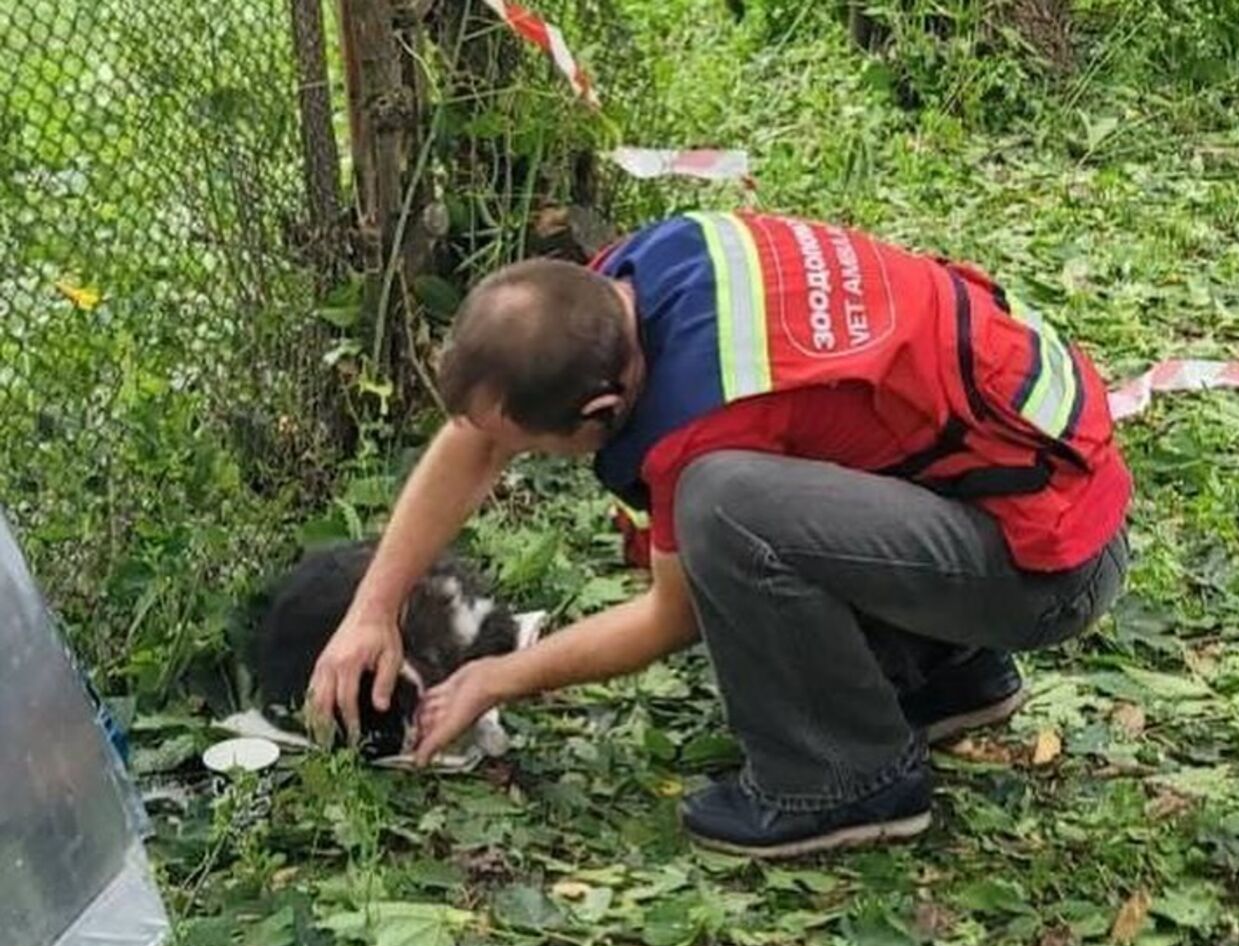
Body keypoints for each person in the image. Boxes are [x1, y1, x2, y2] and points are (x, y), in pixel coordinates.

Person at [307, 210, 1131, 858]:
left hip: (1048, 570)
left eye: (536, 450)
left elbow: (673, 614)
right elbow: (479, 432)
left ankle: (845, 778)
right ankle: (943, 674)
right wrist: (372, 609)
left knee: (724, 508)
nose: (512, 458)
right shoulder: (635, 279)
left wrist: (496, 678)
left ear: (600, 414)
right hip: (1010, 494)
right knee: (758, 490)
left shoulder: (706, 416)